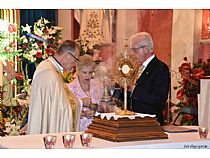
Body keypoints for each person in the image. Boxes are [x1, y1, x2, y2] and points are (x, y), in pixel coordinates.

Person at [27, 40, 81, 134]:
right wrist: (81, 102)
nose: (74, 64)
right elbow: (61, 107)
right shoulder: (49, 73)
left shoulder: (50, 68)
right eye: (75, 60)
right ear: (67, 56)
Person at [127, 32, 170, 125]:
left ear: (145, 49)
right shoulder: (136, 68)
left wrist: (135, 89)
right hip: (133, 122)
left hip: (150, 124)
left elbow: (159, 100)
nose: (132, 54)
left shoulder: (160, 68)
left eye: (134, 50)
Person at [67, 54, 104, 131]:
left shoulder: (99, 86)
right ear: (78, 71)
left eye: (90, 72)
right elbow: (67, 111)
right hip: (78, 129)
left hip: (97, 128)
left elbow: (103, 107)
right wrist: (83, 113)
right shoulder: (70, 88)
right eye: (84, 72)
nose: (87, 76)